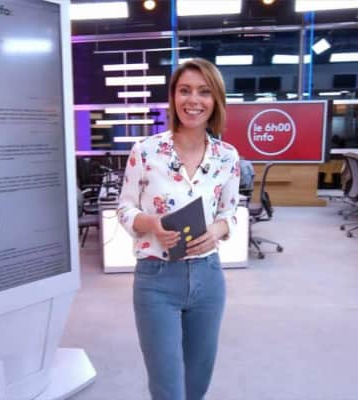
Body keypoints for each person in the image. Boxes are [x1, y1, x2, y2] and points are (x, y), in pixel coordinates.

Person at [117, 58, 240, 400]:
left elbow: (231, 212)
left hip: (208, 276)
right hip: (157, 279)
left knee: (197, 383)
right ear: (173, 97)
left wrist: (218, 229)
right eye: (184, 90)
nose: (193, 100)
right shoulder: (145, 151)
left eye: (204, 92)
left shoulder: (227, 156)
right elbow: (124, 208)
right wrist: (151, 223)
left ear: (215, 100)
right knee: (168, 386)